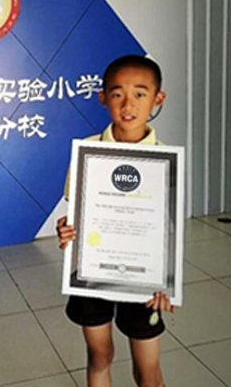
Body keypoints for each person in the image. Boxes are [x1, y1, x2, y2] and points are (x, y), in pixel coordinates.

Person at [56, 55, 175, 387]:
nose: (128, 104)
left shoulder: (166, 159)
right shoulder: (86, 152)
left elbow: (167, 232)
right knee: (99, 356)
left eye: (140, 93)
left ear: (158, 99)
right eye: (117, 93)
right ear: (103, 97)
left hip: (142, 279)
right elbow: (76, 217)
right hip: (92, 274)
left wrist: (168, 281)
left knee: (148, 372)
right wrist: (66, 232)